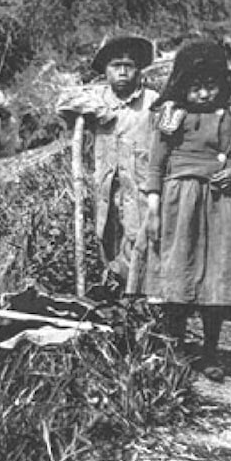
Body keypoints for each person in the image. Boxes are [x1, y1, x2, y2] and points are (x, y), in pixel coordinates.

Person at [142, 39, 231, 374]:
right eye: (195, 87)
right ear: (182, 86)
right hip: (179, 204)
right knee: (178, 274)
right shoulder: (171, 116)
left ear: (222, 84)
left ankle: (211, 353)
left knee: (217, 276)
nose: (202, 95)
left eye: (210, 86)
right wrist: (153, 207)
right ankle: (176, 351)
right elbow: (156, 165)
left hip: (223, 203)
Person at [87, 34, 159, 292]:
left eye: (128, 66)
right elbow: (64, 105)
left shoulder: (151, 101)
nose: (122, 73)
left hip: (138, 187)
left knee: (137, 239)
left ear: (138, 71)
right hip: (106, 187)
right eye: (115, 67)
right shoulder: (97, 98)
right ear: (105, 72)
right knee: (106, 236)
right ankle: (111, 293)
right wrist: (94, 109)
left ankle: (138, 297)